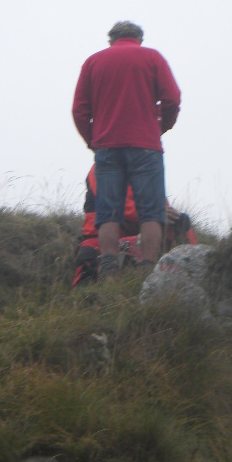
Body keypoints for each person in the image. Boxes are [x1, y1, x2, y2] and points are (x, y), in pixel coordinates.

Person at [72, 20, 181, 277]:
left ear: (111, 40)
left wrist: (92, 140)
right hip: (146, 146)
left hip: (107, 147)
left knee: (108, 212)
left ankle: (109, 264)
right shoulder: (152, 58)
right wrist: (160, 127)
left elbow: (79, 110)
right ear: (139, 39)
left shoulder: (93, 62)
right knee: (151, 211)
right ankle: (148, 266)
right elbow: (172, 99)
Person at [72, 164, 197, 286]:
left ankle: (193, 265)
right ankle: (88, 291)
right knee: (87, 256)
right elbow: (112, 203)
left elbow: (162, 209)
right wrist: (154, 213)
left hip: (137, 237)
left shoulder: (147, 170)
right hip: (100, 240)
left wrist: (167, 217)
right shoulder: (102, 166)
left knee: (180, 221)